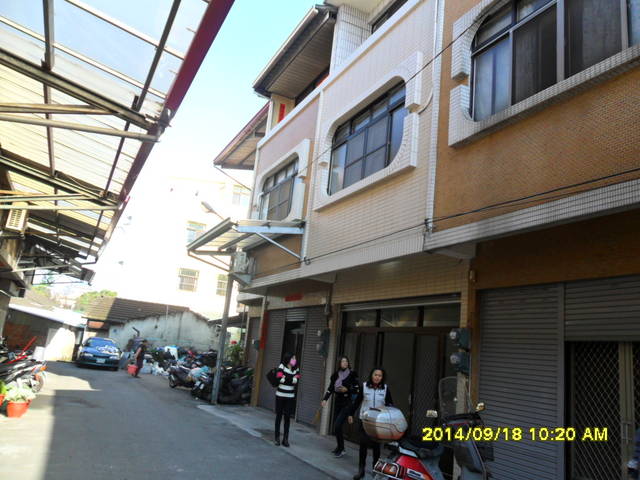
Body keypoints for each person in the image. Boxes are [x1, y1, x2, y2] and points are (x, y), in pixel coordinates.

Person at [348, 367, 393, 480]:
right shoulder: (364, 386)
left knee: (376, 447)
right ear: (371, 376)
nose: (377, 377)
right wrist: (350, 414)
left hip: (378, 423)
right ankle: (361, 471)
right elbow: (357, 402)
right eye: (375, 375)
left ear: (382, 377)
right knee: (363, 445)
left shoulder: (385, 389)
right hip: (365, 420)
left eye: (380, 375)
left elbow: (390, 404)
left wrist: (389, 417)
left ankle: (375, 469)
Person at [321, 356, 359, 457]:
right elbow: (330, 388)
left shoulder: (352, 374)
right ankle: (339, 447)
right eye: (343, 361)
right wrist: (325, 399)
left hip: (347, 402)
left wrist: (347, 389)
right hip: (338, 402)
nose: (345, 363)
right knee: (337, 427)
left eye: (346, 361)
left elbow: (357, 389)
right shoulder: (335, 375)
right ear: (339, 363)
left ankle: (342, 449)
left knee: (338, 425)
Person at [274, 352, 300, 447]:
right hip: (280, 395)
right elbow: (279, 378)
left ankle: (285, 439)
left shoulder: (296, 368)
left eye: (295, 358)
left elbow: (296, 381)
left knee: (287, 417)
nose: (295, 360)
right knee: (279, 416)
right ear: (288, 358)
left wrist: (285, 378)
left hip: (290, 397)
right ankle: (277, 438)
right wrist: (291, 379)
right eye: (293, 358)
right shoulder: (282, 366)